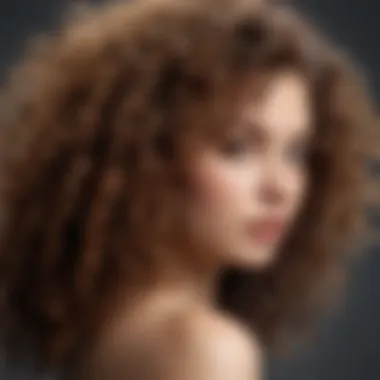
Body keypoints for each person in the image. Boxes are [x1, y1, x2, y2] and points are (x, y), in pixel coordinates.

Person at [0, 0, 375, 379]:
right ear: (148, 155)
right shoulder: (204, 348)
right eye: (238, 148)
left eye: (296, 152)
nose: (280, 187)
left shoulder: (107, 327)